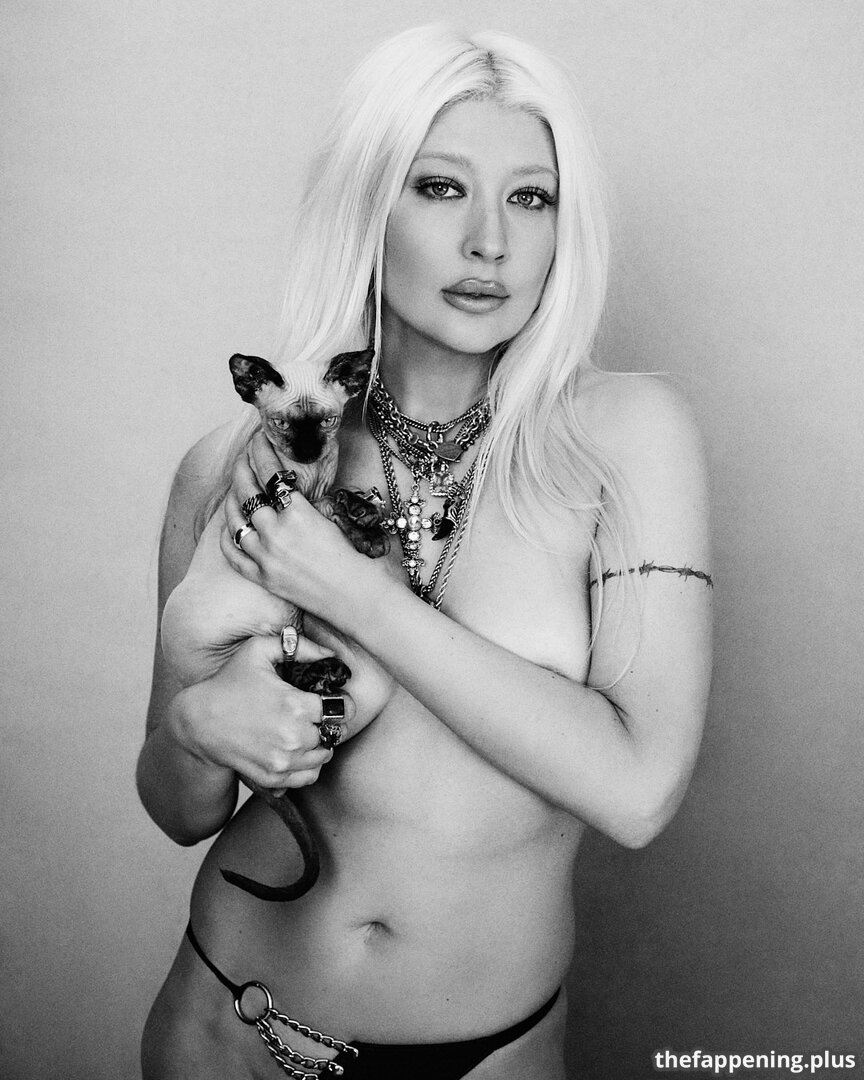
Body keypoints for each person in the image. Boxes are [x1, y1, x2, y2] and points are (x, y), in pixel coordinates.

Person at [137, 23, 712, 1080]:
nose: (491, 242)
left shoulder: (626, 437)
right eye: (441, 188)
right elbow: (181, 809)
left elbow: (638, 790)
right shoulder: (232, 465)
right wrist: (192, 721)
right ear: (368, 205)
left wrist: (353, 596)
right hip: (224, 1024)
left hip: (489, 1053)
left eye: (531, 198)